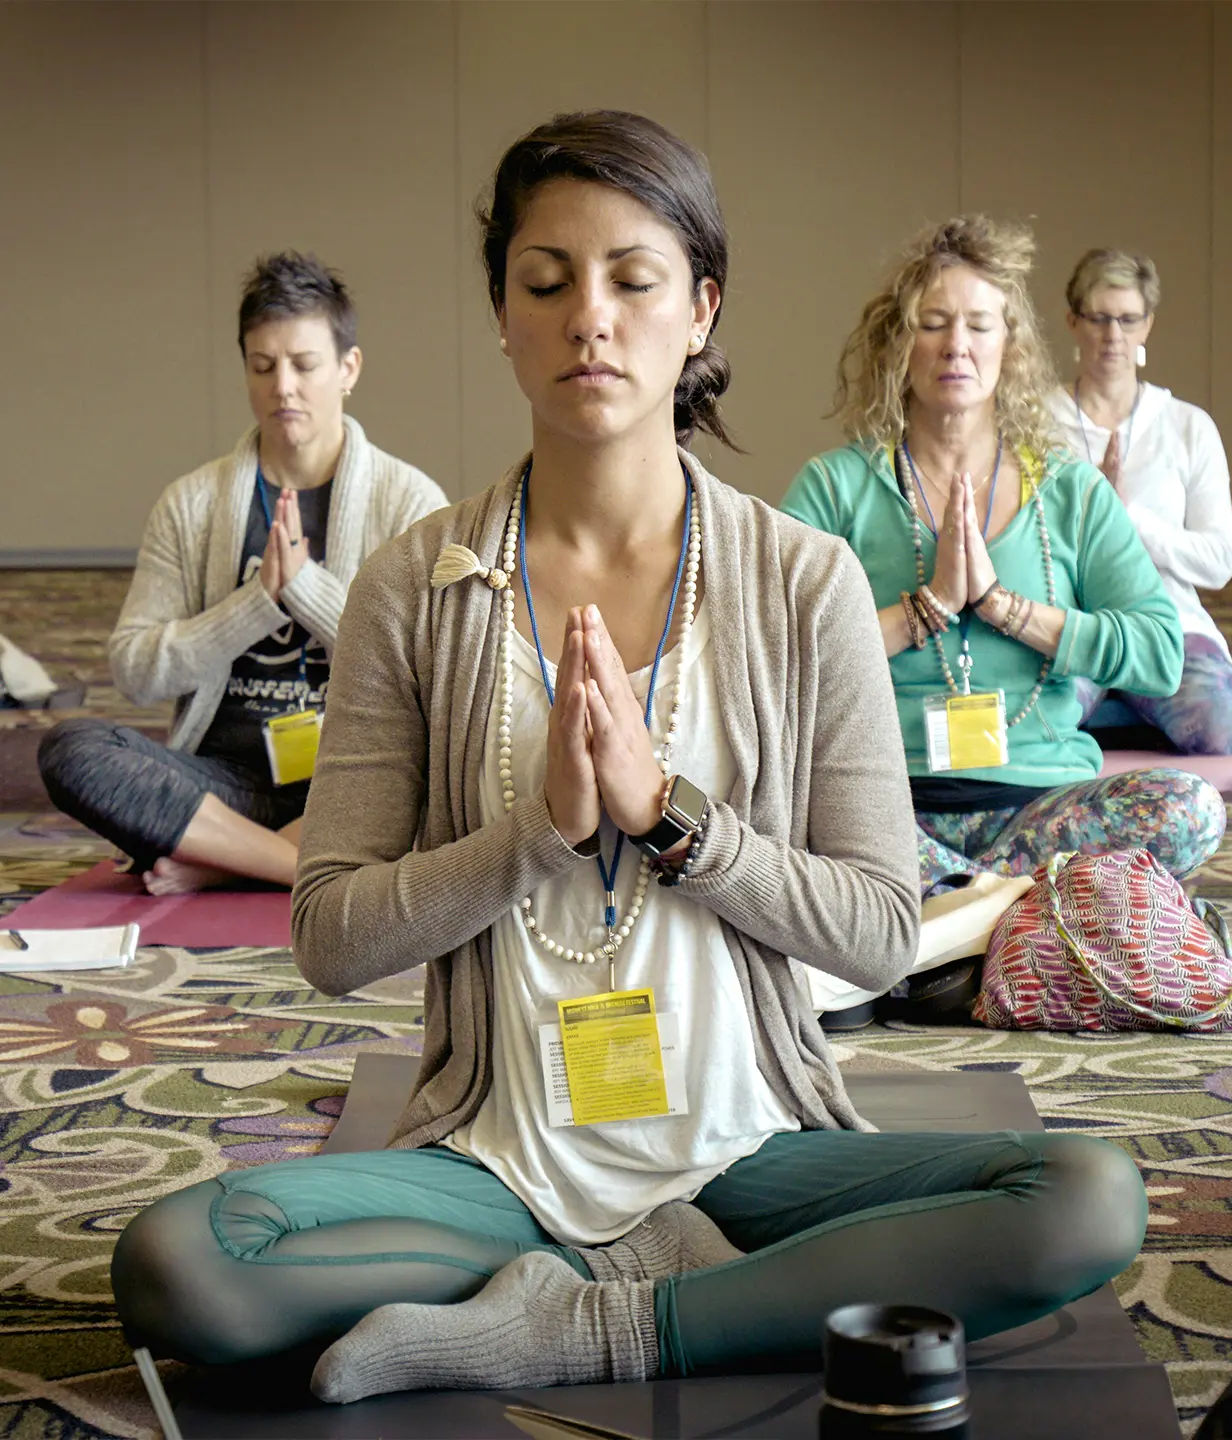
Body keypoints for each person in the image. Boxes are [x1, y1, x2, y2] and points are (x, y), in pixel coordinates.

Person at [108, 112, 1147, 1401]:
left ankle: (605, 1324)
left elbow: (881, 933)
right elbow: (330, 937)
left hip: (747, 1152)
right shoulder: (411, 588)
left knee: (1086, 1197)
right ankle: (685, 1290)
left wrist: (674, 820)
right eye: (546, 283)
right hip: (497, 1161)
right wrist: (532, 839)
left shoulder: (802, 581)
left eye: (633, 280)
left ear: (700, 310)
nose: (589, 318)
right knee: (183, 1264)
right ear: (503, 316)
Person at [781, 216, 1226, 906]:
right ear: (899, 342)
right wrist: (924, 609)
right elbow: (774, 653)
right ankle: (1019, 905)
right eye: (932, 323)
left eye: (979, 325)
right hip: (887, 805)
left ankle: (950, 905)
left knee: (1191, 809)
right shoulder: (835, 486)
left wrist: (1005, 609)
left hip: (1039, 806)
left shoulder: (1070, 490)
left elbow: (1160, 654)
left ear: (1008, 344)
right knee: (779, 816)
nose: (956, 345)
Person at [36, 254, 446, 893]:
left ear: (348, 368)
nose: (283, 387)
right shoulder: (191, 504)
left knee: (451, 777)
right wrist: (255, 605)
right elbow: (135, 671)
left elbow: (430, 673)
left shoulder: (409, 501)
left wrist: (306, 591)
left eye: (304, 365)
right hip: (221, 786)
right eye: (263, 366)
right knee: (71, 751)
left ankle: (223, 860)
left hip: (352, 780)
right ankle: (288, 864)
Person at [1048, 248, 1232, 755]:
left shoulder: (1187, 425)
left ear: (1148, 325)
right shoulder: (1036, 423)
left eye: (1128, 319)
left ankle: (1127, 712)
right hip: (1071, 625)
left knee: (1228, 730)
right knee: (1022, 730)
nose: (1113, 335)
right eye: (1099, 318)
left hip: (1167, 628)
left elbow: (1218, 561)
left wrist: (1128, 520)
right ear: (1073, 322)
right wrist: (1088, 518)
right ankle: (1114, 715)